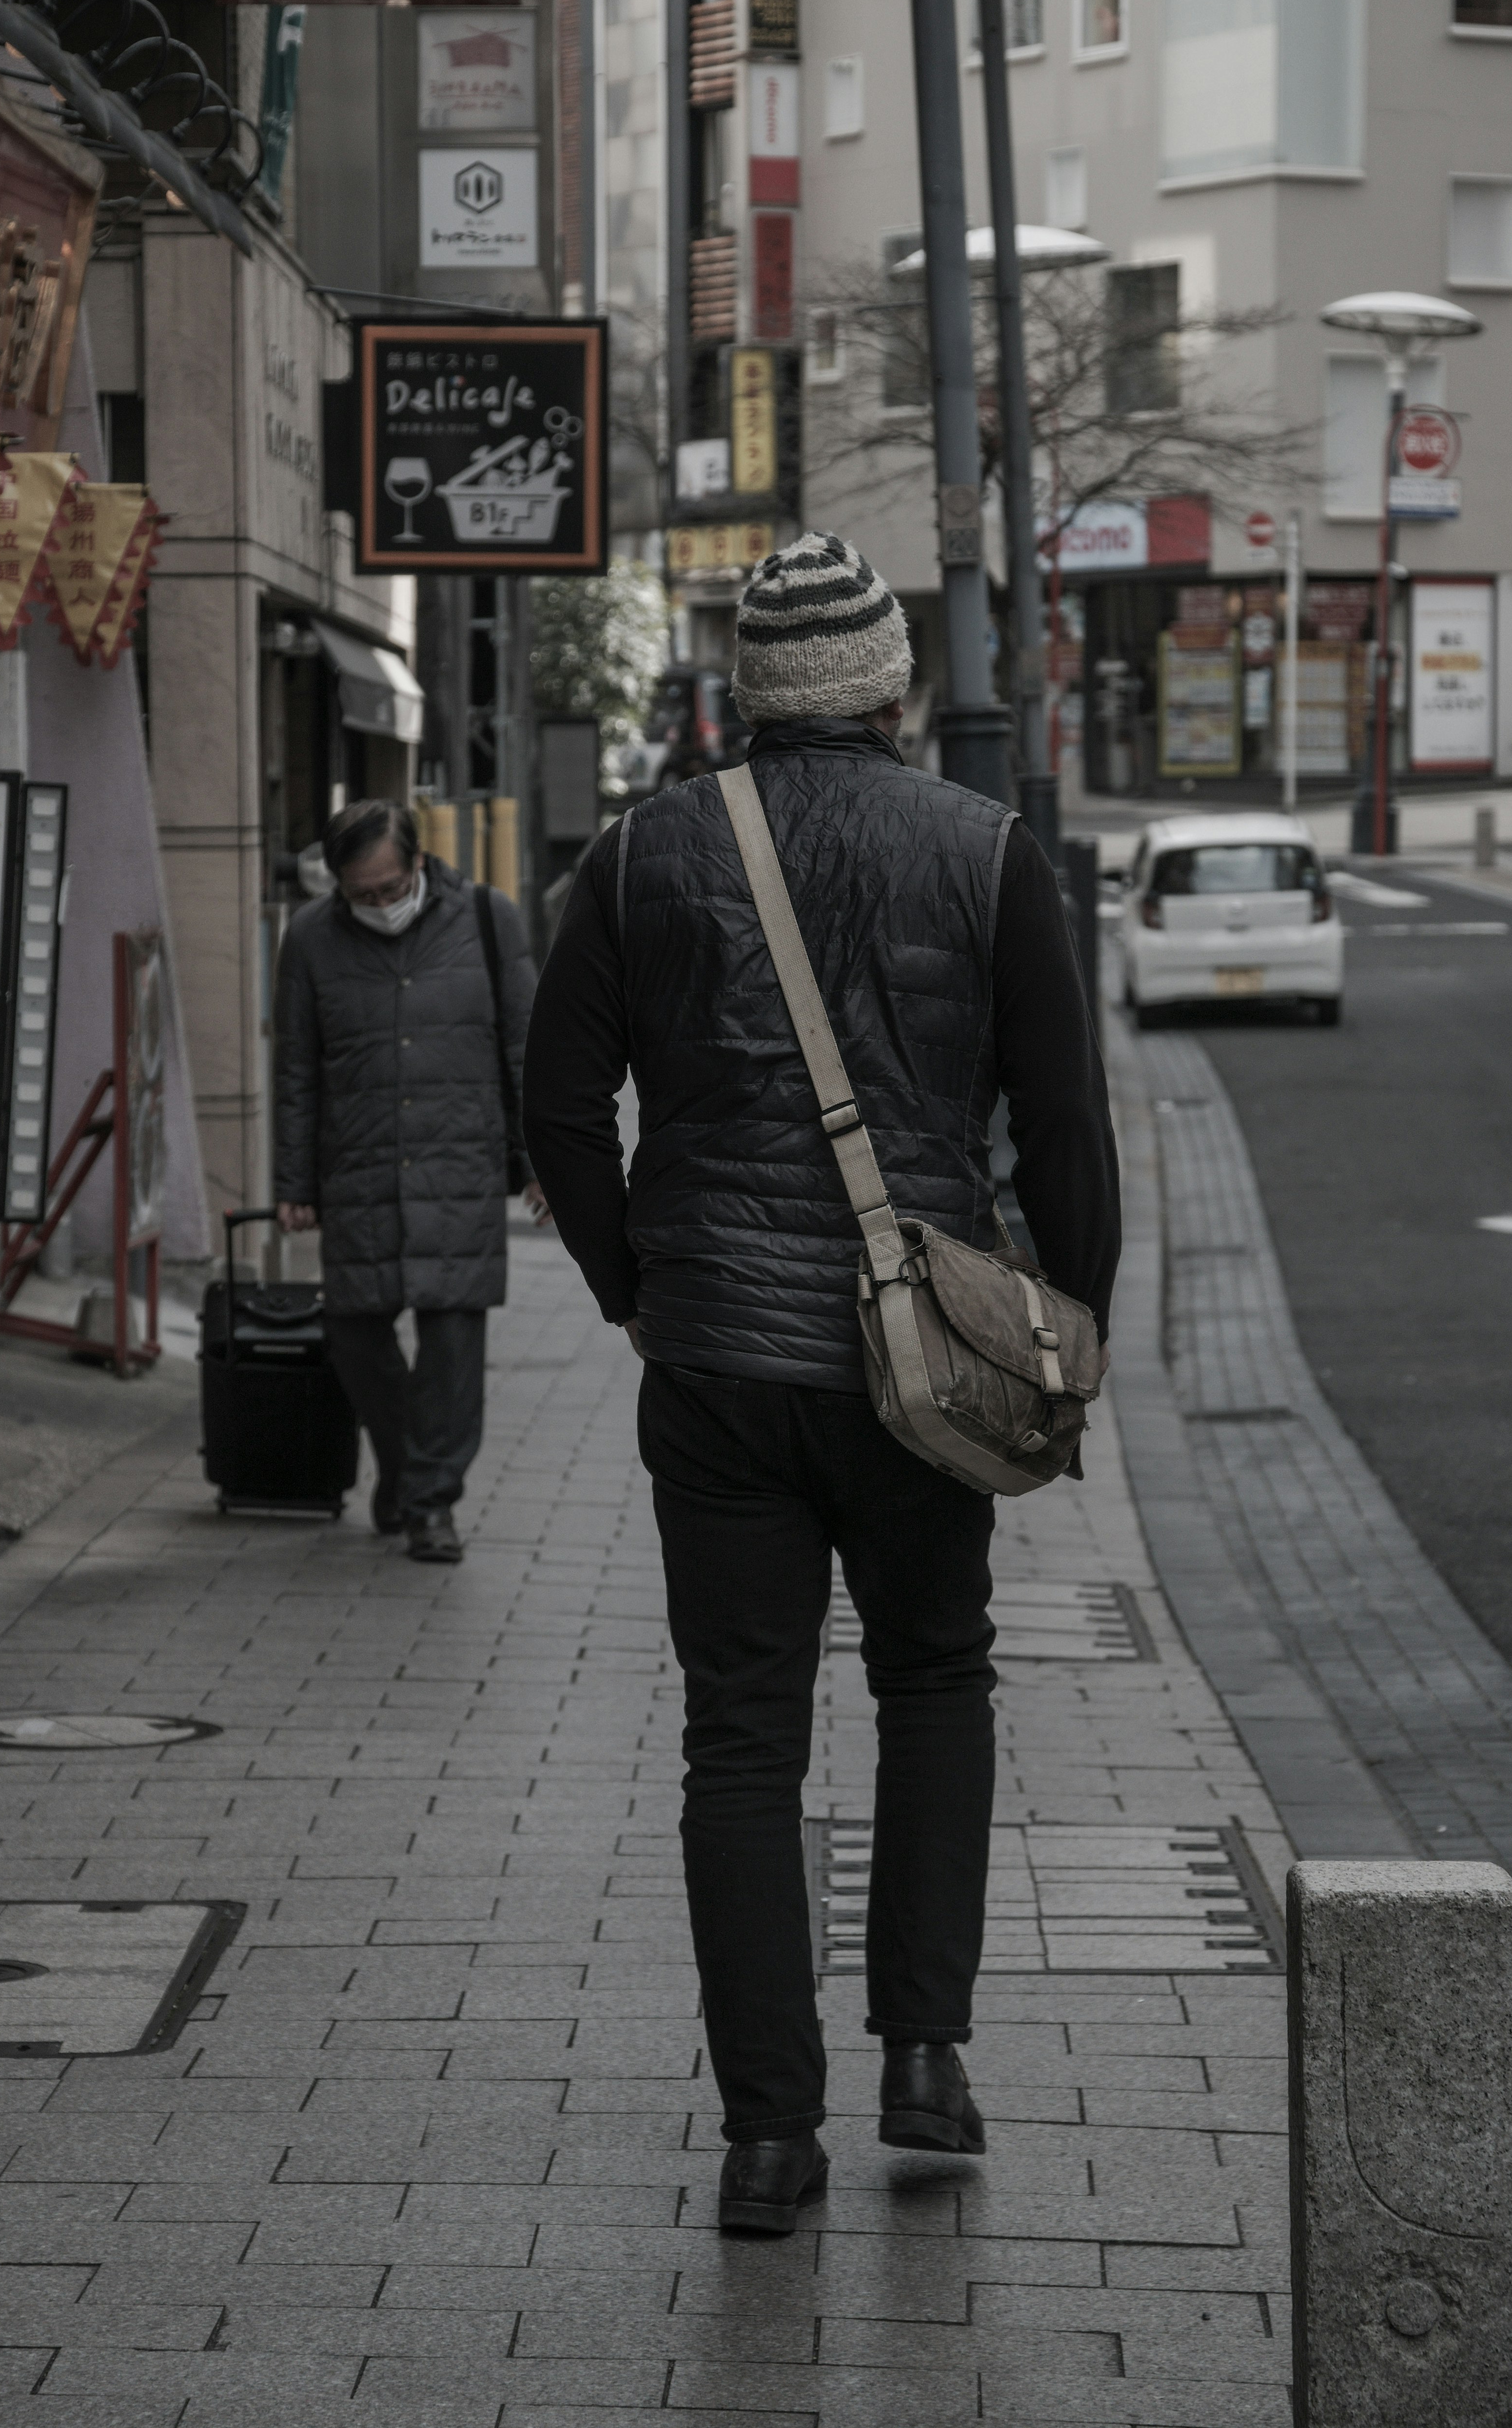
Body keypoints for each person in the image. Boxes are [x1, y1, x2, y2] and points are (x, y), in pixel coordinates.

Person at [523, 533, 1119, 2236]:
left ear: (745, 692)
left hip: (716, 1364)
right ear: (890, 685)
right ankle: (923, 2056)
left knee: (741, 1736)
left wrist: (643, 1290)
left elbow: (560, 1109)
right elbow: (1067, 1126)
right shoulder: (988, 852)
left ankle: (769, 2138)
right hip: (926, 1362)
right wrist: (1069, 1338)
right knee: (935, 1678)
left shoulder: (641, 856)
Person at [273, 798, 540, 1563]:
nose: (383, 904)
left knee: (453, 1346)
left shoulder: (489, 921)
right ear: (339, 884)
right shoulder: (311, 940)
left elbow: (526, 1052)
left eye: (393, 886)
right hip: (358, 1166)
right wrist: (294, 1179)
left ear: (420, 863)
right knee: (355, 1336)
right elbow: (297, 1069)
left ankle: (431, 1505)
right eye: (365, 894)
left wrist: (538, 1168)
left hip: (461, 1165)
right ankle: (402, 1464)